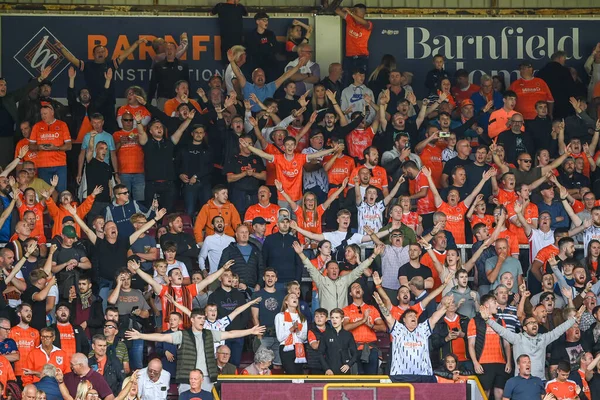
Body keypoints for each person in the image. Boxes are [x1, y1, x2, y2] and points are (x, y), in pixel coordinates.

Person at [125, 307, 265, 393]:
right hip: (187, 378)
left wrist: (250, 330)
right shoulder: (182, 334)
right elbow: (161, 337)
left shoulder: (210, 333)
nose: (202, 321)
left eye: (203, 318)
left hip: (207, 378)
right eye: (199, 318)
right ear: (192, 320)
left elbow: (231, 334)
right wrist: (140, 335)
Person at [373, 290, 450, 381]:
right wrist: (381, 304)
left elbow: (434, 317)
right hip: (401, 376)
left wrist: (445, 307)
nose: (413, 317)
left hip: (423, 375)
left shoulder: (423, 329)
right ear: (404, 320)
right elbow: (388, 316)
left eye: (415, 316)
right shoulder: (398, 329)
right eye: (410, 316)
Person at [293, 241, 383, 311]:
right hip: (327, 319)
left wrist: (374, 254)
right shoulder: (321, 281)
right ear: (327, 271)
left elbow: (360, 269)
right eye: (331, 268)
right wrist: (301, 254)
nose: (334, 270)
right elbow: (310, 267)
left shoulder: (344, 280)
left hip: (342, 319)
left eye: (336, 268)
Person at [135, 110, 194, 212]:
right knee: (151, 212)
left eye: (161, 127)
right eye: (156, 127)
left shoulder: (170, 142)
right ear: (150, 131)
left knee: (169, 212)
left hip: (169, 185)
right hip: (151, 184)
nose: (159, 129)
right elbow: (141, 132)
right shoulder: (147, 142)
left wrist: (189, 119)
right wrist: (139, 123)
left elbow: (180, 130)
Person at [467, 294, 513, 399]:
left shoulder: (500, 321)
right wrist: (475, 362)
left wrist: (509, 361)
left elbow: (506, 343)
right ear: (487, 305)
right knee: (484, 393)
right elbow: (471, 345)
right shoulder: (474, 321)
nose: (497, 305)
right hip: (484, 362)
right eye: (494, 302)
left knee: (500, 393)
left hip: (501, 362)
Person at [28, 103, 72, 191]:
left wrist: (56, 148)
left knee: (61, 191)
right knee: (46, 193)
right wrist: (38, 147)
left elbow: (69, 146)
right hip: (43, 165)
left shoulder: (62, 125)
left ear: (52, 113)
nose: (43, 116)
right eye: (41, 114)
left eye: (45, 114)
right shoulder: (37, 126)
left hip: (60, 164)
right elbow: (30, 146)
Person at [335, 4, 372, 85]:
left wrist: (350, 13)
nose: (353, 12)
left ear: (362, 13)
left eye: (356, 11)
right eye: (353, 11)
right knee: (347, 81)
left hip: (361, 57)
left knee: (362, 81)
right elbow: (337, 10)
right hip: (349, 57)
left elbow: (365, 23)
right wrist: (342, 8)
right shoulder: (350, 20)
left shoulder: (368, 24)